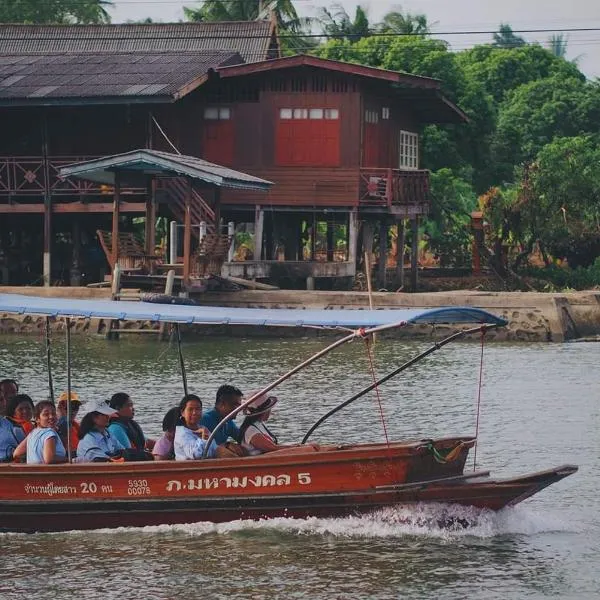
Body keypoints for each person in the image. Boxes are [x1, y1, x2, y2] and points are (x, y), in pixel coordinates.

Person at [14, 400, 67, 464]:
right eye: (46, 414)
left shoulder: (32, 433)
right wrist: (68, 459)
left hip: (32, 471)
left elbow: (17, 454)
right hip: (49, 472)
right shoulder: (49, 433)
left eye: (53, 413)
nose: (51, 417)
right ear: (37, 419)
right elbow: (49, 459)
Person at [174, 394, 218, 460]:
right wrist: (203, 438)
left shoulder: (203, 428)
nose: (194, 413)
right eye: (190, 409)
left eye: (198, 409)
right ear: (183, 412)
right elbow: (196, 455)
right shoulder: (181, 434)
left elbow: (214, 449)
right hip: (189, 468)